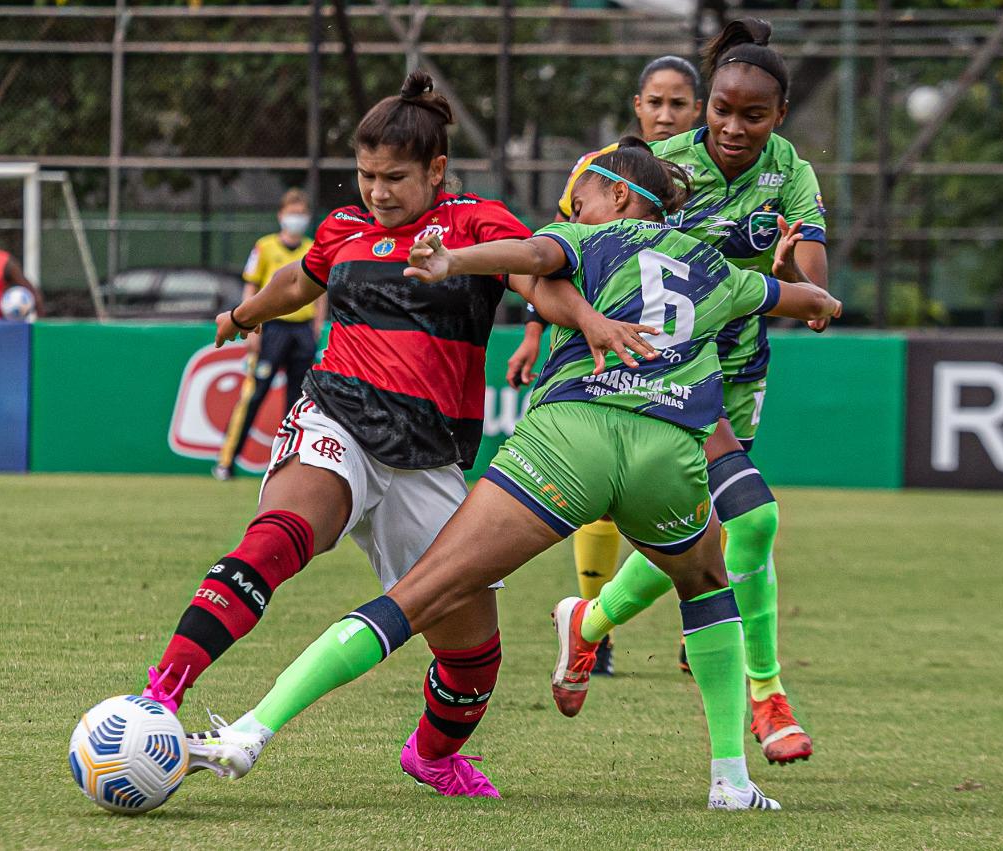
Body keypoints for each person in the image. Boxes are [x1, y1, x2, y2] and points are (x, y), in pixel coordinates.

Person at [180, 141, 840, 810]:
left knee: (419, 595)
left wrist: (453, 260)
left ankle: (251, 731)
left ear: (618, 195)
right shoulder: (716, 267)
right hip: (666, 454)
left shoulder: (584, 238)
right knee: (706, 586)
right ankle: (730, 781)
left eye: (582, 193)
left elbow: (530, 255)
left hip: (570, 441)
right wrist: (803, 285)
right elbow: (812, 302)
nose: (571, 206)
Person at [137, 70, 649, 796]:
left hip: (429, 458)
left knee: (473, 660)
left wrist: (588, 320)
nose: (377, 192)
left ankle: (432, 756)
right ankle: (160, 694)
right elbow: (298, 283)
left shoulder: (476, 223)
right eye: (366, 175)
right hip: (337, 415)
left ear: (436, 170)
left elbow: (538, 280)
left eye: (394, 178)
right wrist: (243, 315)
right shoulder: (343, 229)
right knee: (277, 538)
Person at [515, 18, 830, 765]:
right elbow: (557, 255)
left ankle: (589, 622)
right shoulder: (654, 168)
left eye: (753, 115)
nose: (733, 127)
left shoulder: (792, 172)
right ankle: (767, 695)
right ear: (705, 103)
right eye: (721, 109)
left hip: (739, 373)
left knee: (699, 532)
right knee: (752, 520)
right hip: (666, 374)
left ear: (780, 115)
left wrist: (792, 274)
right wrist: (564, 324)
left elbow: (816, 297)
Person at [507, 55, 705, 676]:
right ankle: (599, 627)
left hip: (685, 353)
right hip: (603, 344)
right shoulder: (598, 170)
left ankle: (694, 626)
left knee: (700, 492)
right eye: (655, 102)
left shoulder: (712, 169)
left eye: (678, 104)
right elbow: (556, 251)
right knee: (603, 490)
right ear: (637, 106)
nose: (665, 114)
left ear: (698, 111)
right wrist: (534, 331)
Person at [212, 188, 323, 481]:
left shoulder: (313, 247)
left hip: (302, 330)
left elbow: (321, 293)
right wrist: (249, 326)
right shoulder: (265, 247)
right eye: (292, 213)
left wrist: (316, 326)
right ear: (281, 215)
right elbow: (251, 286)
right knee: (255, 394)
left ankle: (289, 464)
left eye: (301, 214)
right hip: (271, 328)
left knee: (297, 401)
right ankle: (226, 462)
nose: (296, 219)